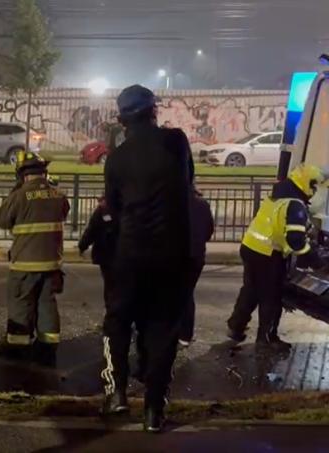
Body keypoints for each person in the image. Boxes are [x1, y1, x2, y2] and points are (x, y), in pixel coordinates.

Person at [102, 84, 194, 433]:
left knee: (117, 323)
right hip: (172, 256)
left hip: (130, 253)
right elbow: (187, 183)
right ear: (154, 111)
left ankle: (115, 394)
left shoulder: (116, 159)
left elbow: (113, 207)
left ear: (122, 118)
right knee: (162, 330)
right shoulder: (177, 142)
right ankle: (154, 410)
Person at [227, 164, 327, 352]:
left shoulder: (278, 196)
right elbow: (295, 241)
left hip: (250, 247)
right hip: (268, 254)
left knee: (251, 289)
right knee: (271, 297)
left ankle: (236, 326)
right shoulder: (295, 205)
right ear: (307, 184)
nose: (315, 191)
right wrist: (316, 262)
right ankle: (267, 338)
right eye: (314, 186)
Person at [0, 151, 70, 366]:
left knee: (21, 303)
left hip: (25, 264)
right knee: (47, 304)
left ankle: (18, 348)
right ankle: (47, 349)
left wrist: (15, 192)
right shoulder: (59, 195)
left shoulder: (19, 196)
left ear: (22, 175)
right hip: (52, 263)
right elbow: (64, 212)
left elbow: (1, 220)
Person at [180, 189, 214, 346]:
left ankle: (169, 331)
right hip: (197, 255)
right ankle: (185, 335)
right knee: (187, 294)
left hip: (176, 255)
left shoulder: (171, 201)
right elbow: (209, 230)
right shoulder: (203, 204)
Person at [78, 196, 119, 314]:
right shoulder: (127, 207)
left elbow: (92, 230)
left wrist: (82, 246)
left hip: (106, 254)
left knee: (110, 286)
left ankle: (112, 315)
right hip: (124, 254)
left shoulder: (103, 210)